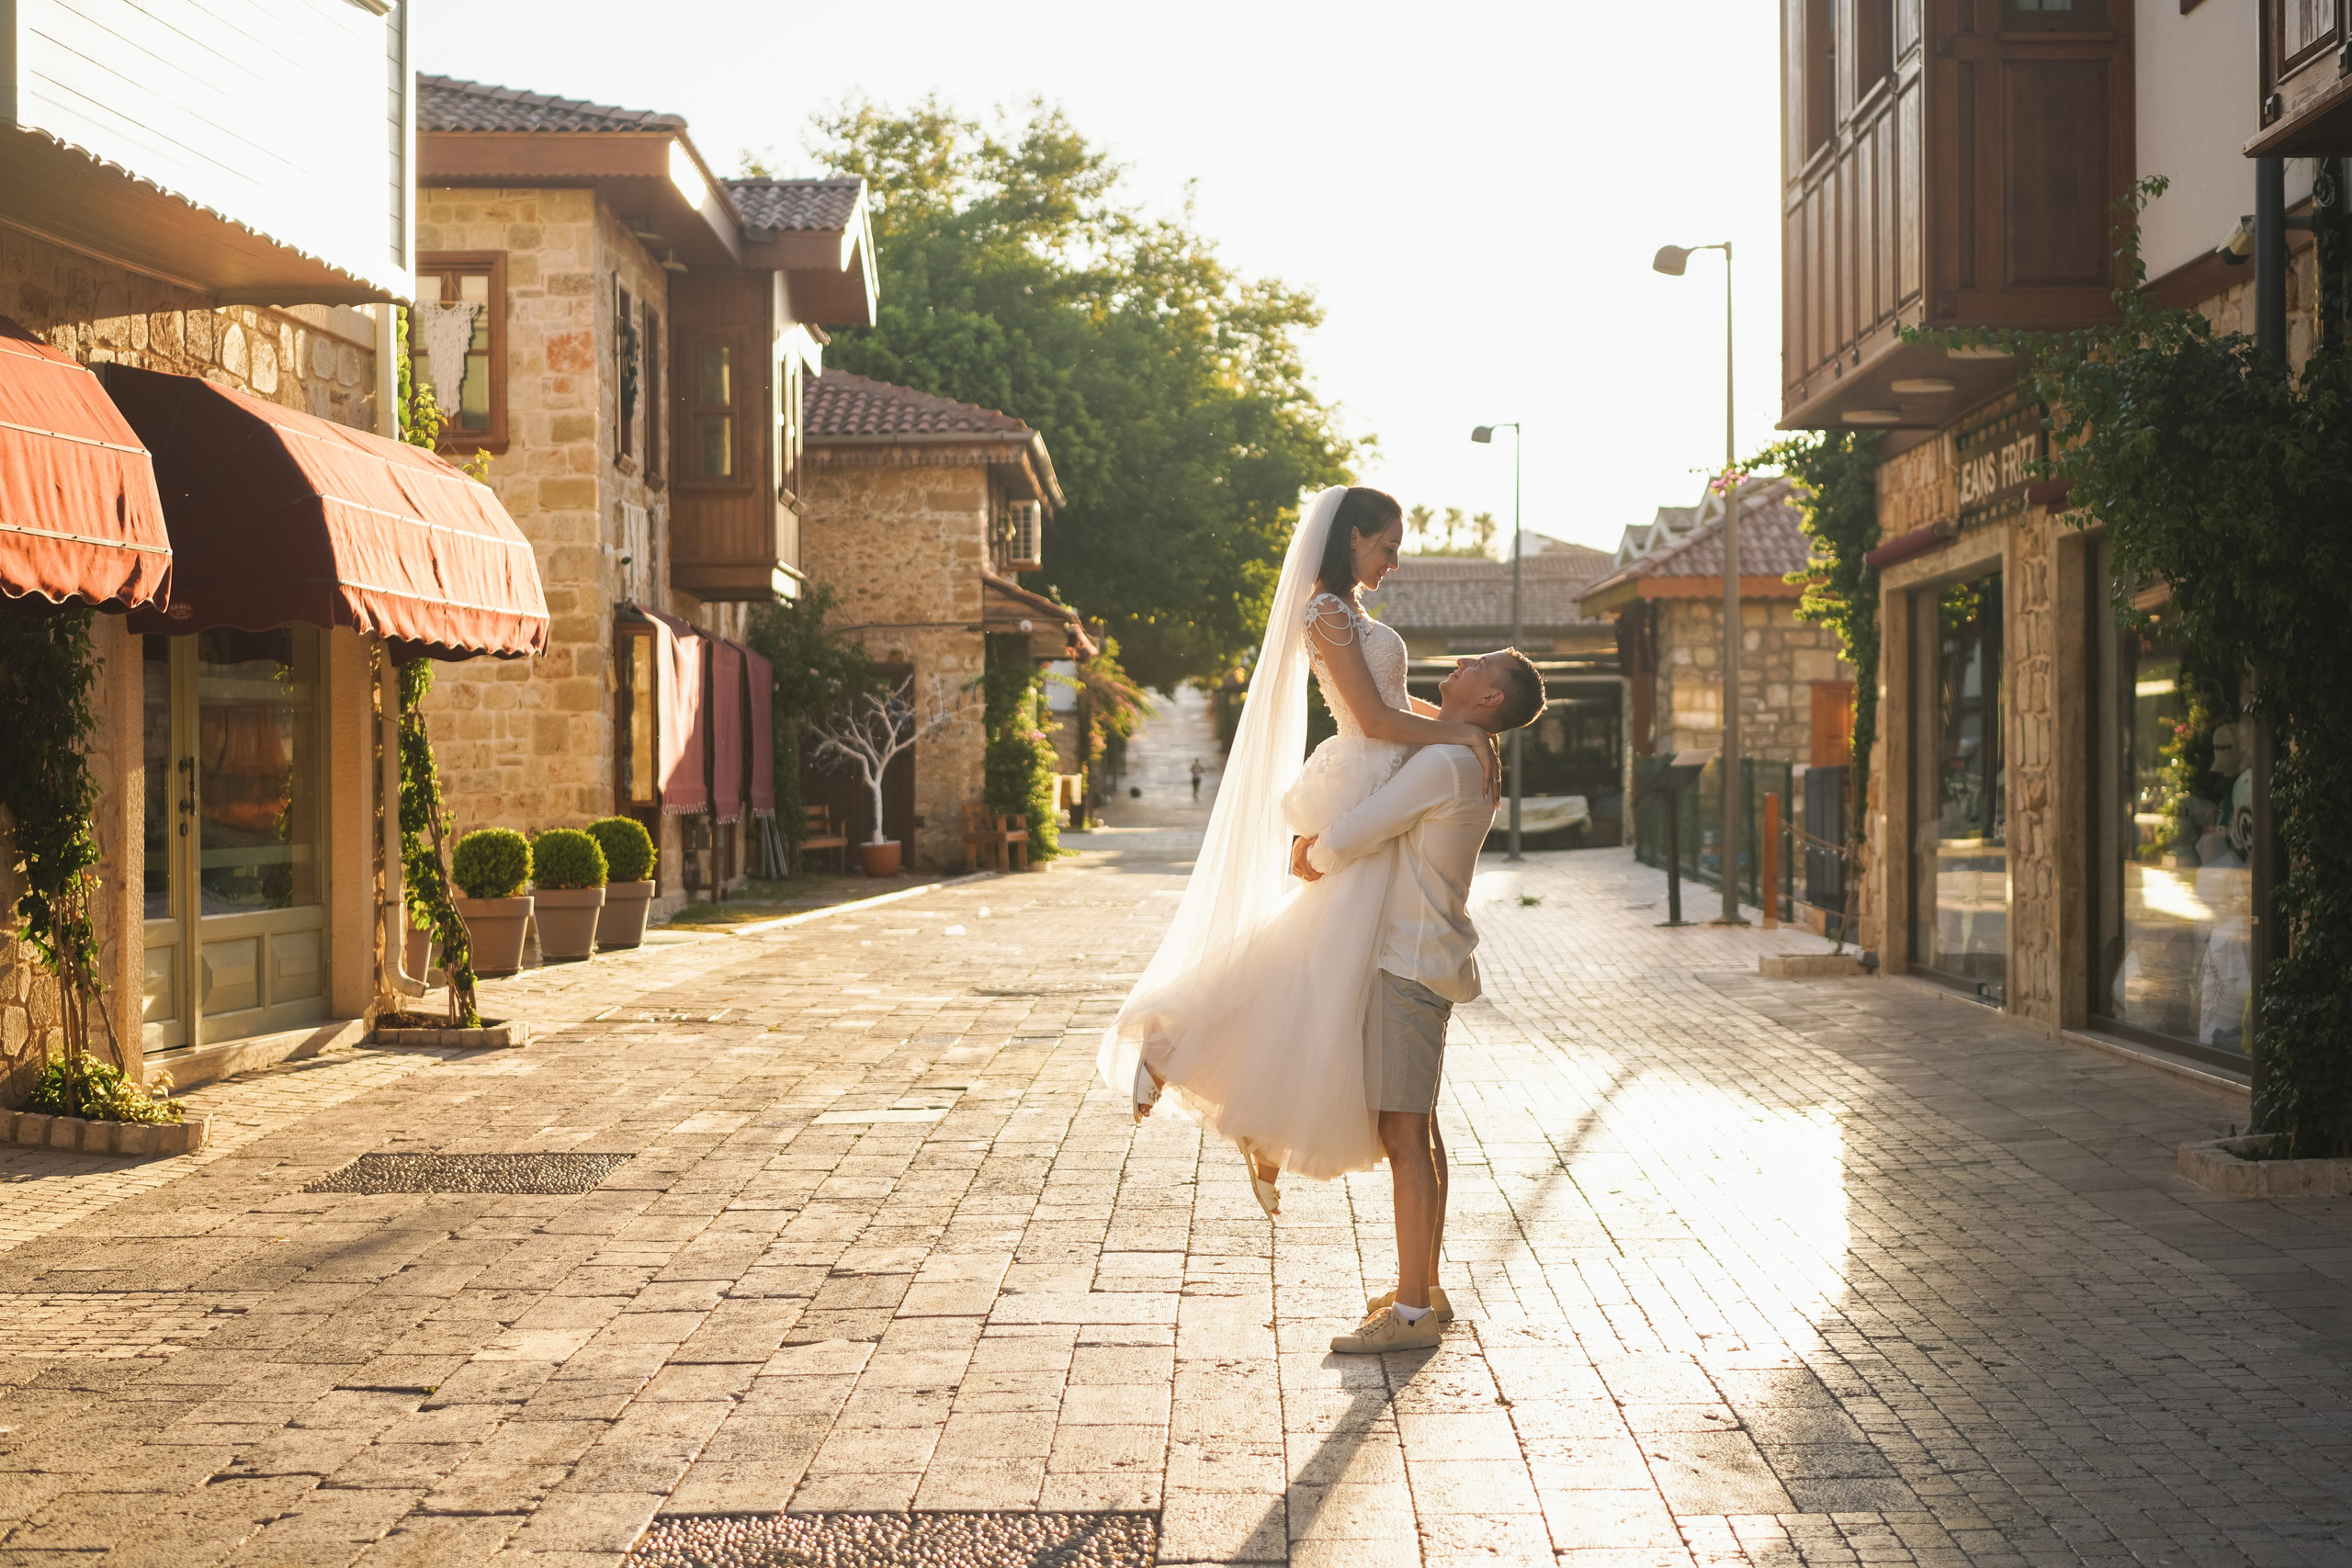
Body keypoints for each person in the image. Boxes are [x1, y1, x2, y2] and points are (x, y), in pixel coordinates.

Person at [1100, 487, 1501, 1214]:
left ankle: (1261, 1119)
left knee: (1328, 968)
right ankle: (1174, 1041)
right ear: (1351, 539)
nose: (1396, 560)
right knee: (1314, 955)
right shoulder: (1324, 612)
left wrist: (1464, 729)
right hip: (1363, 780)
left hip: (1383, 777)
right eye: (1388, 544)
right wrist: (1461, 733)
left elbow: (1397, 702)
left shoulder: (1354, 617)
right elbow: (1373, 717)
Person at [1292, 648, 1546, 1352]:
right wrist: (1460, 729)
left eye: (1478, 664)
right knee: (1421, 1130)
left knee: (1403, 1136)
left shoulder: (1449, 763)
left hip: (1407, 963)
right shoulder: (1465, 752)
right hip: (1425, 957)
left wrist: (1309, 852)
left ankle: (1409, 1315)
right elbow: (1401, 717)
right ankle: (1424, 1288)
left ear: (1491, 698)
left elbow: (1364, 825)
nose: (1462, 661)